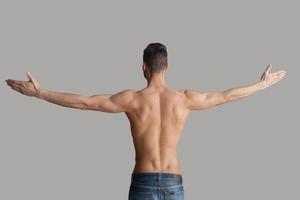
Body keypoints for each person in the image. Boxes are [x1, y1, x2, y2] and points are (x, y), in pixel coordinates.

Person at [5, 42, 287, 200]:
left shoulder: (133, 100)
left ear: (143, 67)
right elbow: (225, 96)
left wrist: (41, 93)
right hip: (175, 183)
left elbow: (85, 102)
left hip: (142, 182)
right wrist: (260, 86)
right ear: (166, 67)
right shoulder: (184, 99)